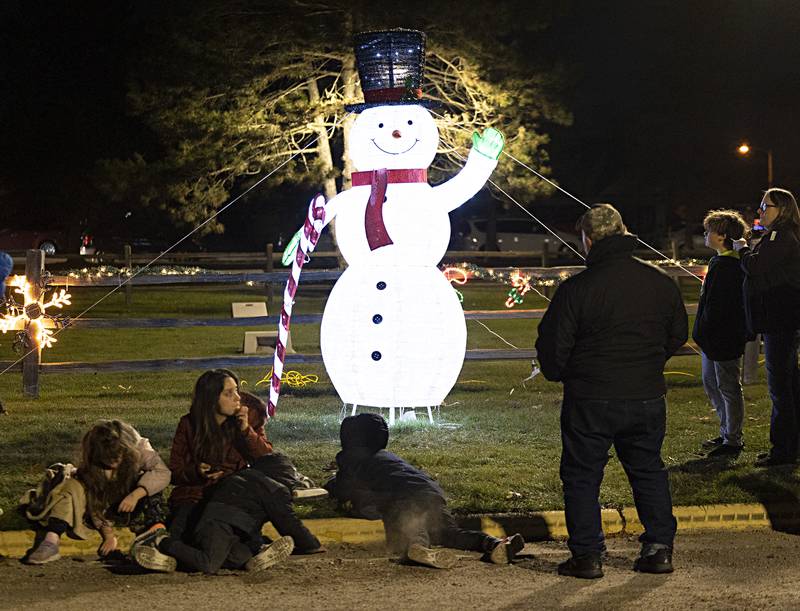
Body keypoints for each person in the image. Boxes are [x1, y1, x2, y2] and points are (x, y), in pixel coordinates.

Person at [535, 204, 687, 579]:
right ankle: (658, 549)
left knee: (583, 476)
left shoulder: (578, 289)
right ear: (624, 231)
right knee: (648, 470)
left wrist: (566, 373)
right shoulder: (660, 283)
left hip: (590, 397)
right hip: (646, 395)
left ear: (587, 240)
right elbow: (677, 335)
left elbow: (554, 348)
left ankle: (587, 555)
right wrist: (648, 362)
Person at [325, 413, 524, 569]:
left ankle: (417, 549)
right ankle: (494, 543)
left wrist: (332, 490)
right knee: (449, 533)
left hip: (403, 496)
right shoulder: (388, 457)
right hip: (430, 493)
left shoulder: (352, 459)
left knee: (413, 523)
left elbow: (344, 486)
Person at [132, 452, 322, 574]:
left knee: (240, 558)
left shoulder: (240, 477)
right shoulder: (275, 489)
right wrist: (311, 545)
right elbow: (288, 522)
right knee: (209, 564)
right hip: (221, 526)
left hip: (224, 527)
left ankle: (172, 561)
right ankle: (163, 543)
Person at [21, 419, 170, 565]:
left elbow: (162, 472)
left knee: (152, 483)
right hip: (110, 508)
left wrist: (136, 494)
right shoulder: (93, 465)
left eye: (116, 456)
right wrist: (109, 535)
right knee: (72, 487)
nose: (112, 461)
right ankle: (51, 542)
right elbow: (95, 501)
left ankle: (155, 533)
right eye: (107, 458)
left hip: (134, 500)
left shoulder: (139, 448)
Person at [732, 188, 800, 467]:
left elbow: (756, 267)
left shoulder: (780, 236)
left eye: (765, 206)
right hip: (782, 318)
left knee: (781, 386)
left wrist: (742, 250)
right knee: (790, 384)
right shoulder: (782, 236)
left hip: (779, 320)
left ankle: (783, 450)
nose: (760, 211)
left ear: (781, 209)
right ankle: (790, 446)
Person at [166, 369, 273, 542]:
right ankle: (163, 548)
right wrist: (196, 471)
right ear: (211, 399)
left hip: (231, 493)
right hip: (194, 493)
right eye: (228, 393)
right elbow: (175, 470)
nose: (238, 398)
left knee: (228, 529)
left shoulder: (248, 419)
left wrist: (246, 430)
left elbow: (266, 457)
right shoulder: (189, 424)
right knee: (182, 527)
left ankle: (257, 546)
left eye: (236, 390)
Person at [693, 210, 751, 457]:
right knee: (711, 383)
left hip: (723, 339)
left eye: (709, 231)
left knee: (728, 386)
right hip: (711, 339)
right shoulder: (718, 262)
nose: (705, 235)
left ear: (722, 236)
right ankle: (726, 430)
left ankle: (733, 439)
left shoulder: (730, 266)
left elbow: (722, 308)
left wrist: (708, 330)